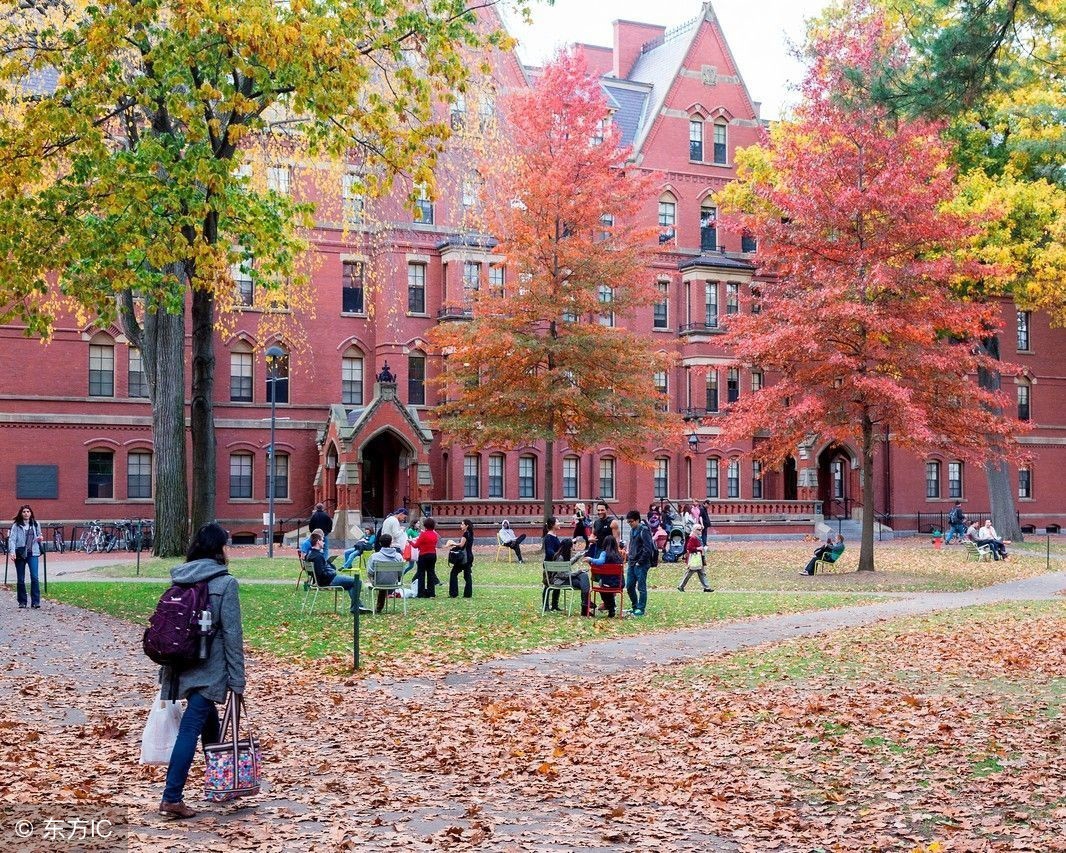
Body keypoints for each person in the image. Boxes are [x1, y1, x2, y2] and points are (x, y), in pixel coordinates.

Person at [158, 523, 245, 819]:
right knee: (190, 728)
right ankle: (171, 797)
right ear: (218, 549)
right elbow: (233, 635)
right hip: (210, 667)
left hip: (182, 663)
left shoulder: (180, 578)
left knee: (209, 722)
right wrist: (237, 679)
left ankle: (218, 782)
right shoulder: (225, 584)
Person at [305, 531, 369, 613]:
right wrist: (331, 571)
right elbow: (321, 573)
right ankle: (356, 607)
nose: (323, 543)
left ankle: (357, 607)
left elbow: (318, 571)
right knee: (357, 581)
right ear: (318, 542)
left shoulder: (310, 554)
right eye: (322, 540)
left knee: (351, 585)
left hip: (325, 579)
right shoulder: (318, 557)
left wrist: (328, 565)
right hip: (329, 580)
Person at [8, 505, 43, 609]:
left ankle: (35, 602)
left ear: (31, 513)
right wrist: (12, 552)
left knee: (35, 577)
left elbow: (38, 536)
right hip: (20, 554)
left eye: (28, 511)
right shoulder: (16, 525)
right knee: (20, 578)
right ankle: (22, 602)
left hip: (33, 553)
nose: (26, 513)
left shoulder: (36, 524)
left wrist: (39, 538)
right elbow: (12, 540)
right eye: (24, 512)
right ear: (21, 513)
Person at [625, 510, 656, 617]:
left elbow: (648, 549)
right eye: (628, 522)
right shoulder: (631, 531)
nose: (630, 524)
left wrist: (640, 561)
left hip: (641, 564)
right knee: (629, 586)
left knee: (641, 587)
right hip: (632, 562)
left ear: (637, 520)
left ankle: (640, 608)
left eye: (631, 521)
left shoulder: (644, 530)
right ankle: (635, 606)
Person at [584, 534, 624, 617]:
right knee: (605, 586)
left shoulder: (604, 553)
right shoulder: (619, 555)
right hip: (619, 583)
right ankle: (611, 608)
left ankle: (610, 607)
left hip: (607, 583)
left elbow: (600, 562)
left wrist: (590, 559)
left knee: (602, 588)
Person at [366, 532, 406, 612]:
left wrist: (372, 579)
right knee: (384, 581)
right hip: (393, 583)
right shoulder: (398, 556)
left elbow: (370, 571)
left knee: (379, 582)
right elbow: (401, 572)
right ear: (391, 543)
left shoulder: (374, 556)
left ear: (380, 543)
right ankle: (379, 606)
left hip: (378, 583)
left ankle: (375, 607)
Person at [541, 516, 573, 612]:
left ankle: (555, 605)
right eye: (557, 522)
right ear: (552, 525)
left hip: (557, 564)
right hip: (550, 565)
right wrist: (558, 556)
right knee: (548, 585)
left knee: (558, 583)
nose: (559, 523)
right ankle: (545, 606)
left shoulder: (554, 536)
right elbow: (550, 552)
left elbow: (559, 548)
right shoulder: (548, 537)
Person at [445, 519, 474, 598]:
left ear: (466, 525)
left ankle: (453, 593)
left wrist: (452, 543)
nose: (461, 526)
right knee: (467, 575)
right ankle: (468, 594)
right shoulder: (471, 533)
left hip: (464, 557)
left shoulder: (465, 534)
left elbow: (461, 545)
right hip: (469, 556)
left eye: (462, 524)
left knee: (453, 573)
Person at [678, 526, 713, 592]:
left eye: (701, 529)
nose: (700, 531)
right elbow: (689, 548)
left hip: (699, 558)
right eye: (699, 529)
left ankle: (706, 587)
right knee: (689, 573)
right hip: (695, 558)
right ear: (695, 530)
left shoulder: (697, 537)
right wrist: (698, 548)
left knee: (702, 573)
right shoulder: (693, 538)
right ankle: (681, 586)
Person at [412, 518, 440, 598]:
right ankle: (431, 592)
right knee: (431, 573)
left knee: (421, 573)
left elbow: (416, 545)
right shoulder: (435, 534)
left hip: (423, 555)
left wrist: (410, 542)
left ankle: (421, 592)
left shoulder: (423, 534)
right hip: (433, 555)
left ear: (425, 525)